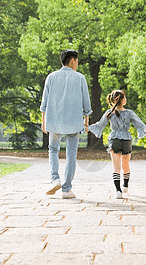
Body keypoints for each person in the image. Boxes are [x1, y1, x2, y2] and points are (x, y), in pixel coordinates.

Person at [40, 49, 92, 199]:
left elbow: (44, 102)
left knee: (53, 150)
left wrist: (44, 122)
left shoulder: (51, 77)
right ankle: (66, 189)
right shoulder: (80, 78)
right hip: (73, 122)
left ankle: (55, 179)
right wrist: (86, 120)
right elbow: (86, 102)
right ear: (73, 61)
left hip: (54, 121)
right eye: (77, 61)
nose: (77, 64)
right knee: (71, 155)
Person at [87, 90, 146, 199]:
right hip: (126, 140)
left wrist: (86, 128)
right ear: (122, 100)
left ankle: (118, 191)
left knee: (116, 167)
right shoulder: (129, 112)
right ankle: (124, 185)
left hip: (114, 140)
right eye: (125, 97)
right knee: (125, 166)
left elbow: (98, 126)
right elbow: (140, 125)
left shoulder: (109, 112)